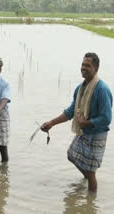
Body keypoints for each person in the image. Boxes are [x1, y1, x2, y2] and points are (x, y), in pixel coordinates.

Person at [41, 53, 112, 192]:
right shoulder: (80, 88)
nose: (83, 68)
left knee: (92, 173)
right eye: (82, 65)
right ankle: (87, 178)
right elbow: (70, 112)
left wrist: (87, 123)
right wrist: (51, 123)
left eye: (88, 65)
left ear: (96, 68)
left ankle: (90, 203)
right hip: (83, 131)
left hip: (97, 134)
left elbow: (107, 118)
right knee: (72, 155)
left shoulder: (102, 89)